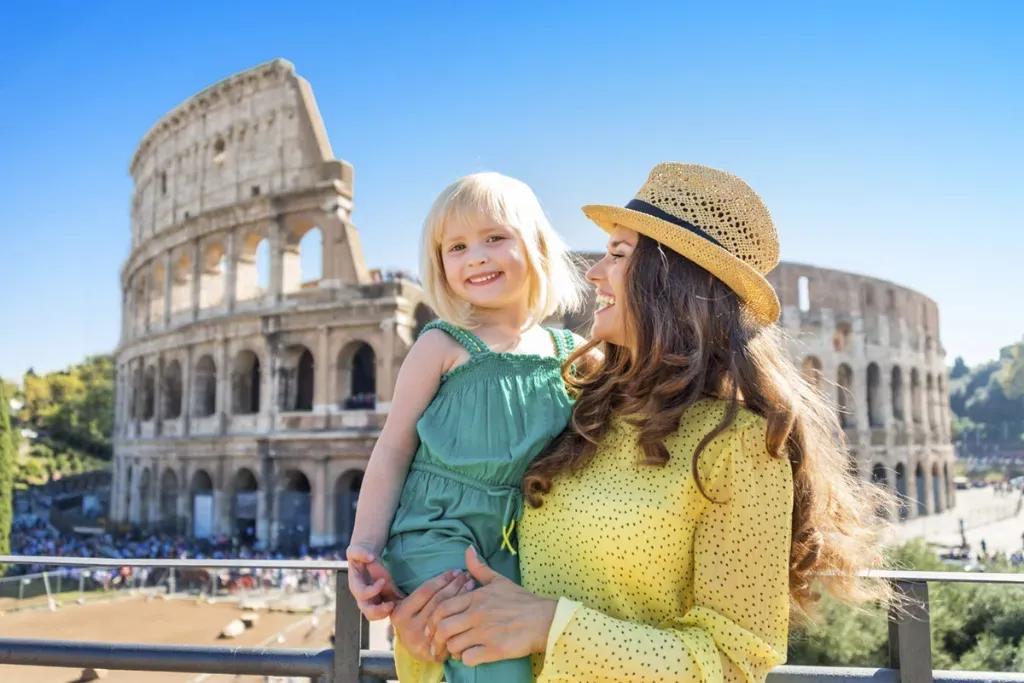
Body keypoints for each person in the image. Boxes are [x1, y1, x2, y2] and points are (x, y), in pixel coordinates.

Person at [392, 163, 892, 682]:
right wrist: (429, 619)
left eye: (617, 255)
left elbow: (734, 665)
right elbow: (479, 523)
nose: (593, 273)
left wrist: (551, 629)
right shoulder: (579, 401)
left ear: (669, 278)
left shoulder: (742, 447)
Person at [346, 171, 587, 683]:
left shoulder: (572, 356)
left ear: (537, 245)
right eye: (456, 246)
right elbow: (392, 449)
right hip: (437, 529)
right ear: (440, 265)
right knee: (495, 663)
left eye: (494, 237)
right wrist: (365, 547)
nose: (475, 256)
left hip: (518, 537)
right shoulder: (442, 345)